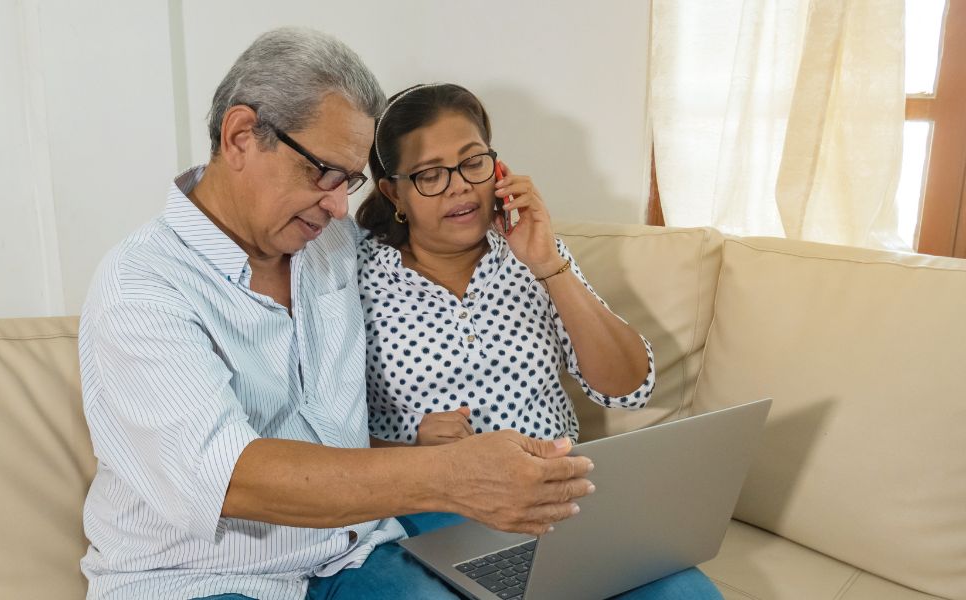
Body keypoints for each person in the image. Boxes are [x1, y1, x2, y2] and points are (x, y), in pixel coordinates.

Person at [77, 29, 596, 600]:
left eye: (349, 181)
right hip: (196, 579)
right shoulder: (141, 285)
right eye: (323, 173)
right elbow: (229, 479)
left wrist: (519, 242)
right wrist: (451, 476)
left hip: (351, 555)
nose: (338, 206)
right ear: (241, 136)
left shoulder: (330, 244)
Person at [355, 82, 720, 598]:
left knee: (690, 595)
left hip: (557, 501)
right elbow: (313, 433)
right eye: (430, 175)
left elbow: (629, 389)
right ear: (394, 192)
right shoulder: (353, 274)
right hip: (434, 508)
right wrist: (412, 449)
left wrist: (548, 263)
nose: (459, 187)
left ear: (497, 169)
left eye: (472, 162)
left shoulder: (533, 254)